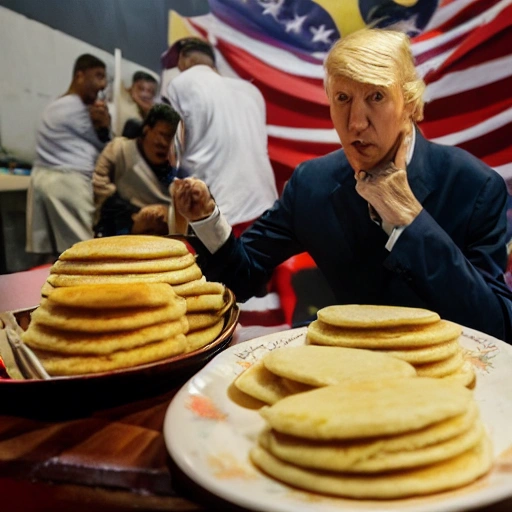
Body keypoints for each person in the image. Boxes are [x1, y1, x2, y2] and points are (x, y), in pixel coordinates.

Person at [170, 28, 512, 343]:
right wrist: (206, 219)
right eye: (343, 98)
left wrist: (410, 220)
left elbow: (496, 326)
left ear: (408, 103)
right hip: (349, 374)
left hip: (448, 378)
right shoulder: (311, 184)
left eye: (376, 96)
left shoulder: (476, 187)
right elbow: (241, 278)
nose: (356, 123)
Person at [164, 37, 278, 235]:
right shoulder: (251, 92)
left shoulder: (180, 84)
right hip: (266, 207)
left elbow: (172, 153)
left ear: (183, 60)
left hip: (220, 213)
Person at [26, 53, 110, 258]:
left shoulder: (56, 105)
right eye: (98, 76)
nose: (103, 84)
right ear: (80, 75)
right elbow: (106, 146)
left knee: (53, 255)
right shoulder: (73, 108)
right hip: (67, 184)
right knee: (84, 254)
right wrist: (104, 126)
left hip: (46, 180)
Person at [93, 103, 183, 236]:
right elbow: (98, 185)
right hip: (121, 224)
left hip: (165, 229)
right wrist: (133, 214)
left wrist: (168, 214)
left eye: (170, 137)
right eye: (162, 134)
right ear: (146, 130)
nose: (164, 143)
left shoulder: (178, 167)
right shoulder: (119, 150)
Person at [116, 71, 158, 138]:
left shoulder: (150, 112)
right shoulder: (120, 99)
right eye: (141, 89)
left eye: (151, 91)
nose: (145, 95)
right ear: (131, 87)